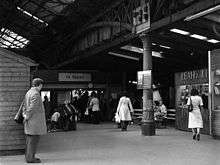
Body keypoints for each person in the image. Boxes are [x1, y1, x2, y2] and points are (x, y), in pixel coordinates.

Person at [23, 78, 47, 163]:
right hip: (34, 122)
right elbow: (32, 108)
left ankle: (29, 157)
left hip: (30, 121)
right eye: (42, 85)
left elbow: (25, 106)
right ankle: (31, 159)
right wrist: (27, 116)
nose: (42, 87)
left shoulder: (28, 92)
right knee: (33, 141)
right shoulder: (36, 94)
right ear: (39, 85)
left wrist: (25, 115)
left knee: (29, 141)